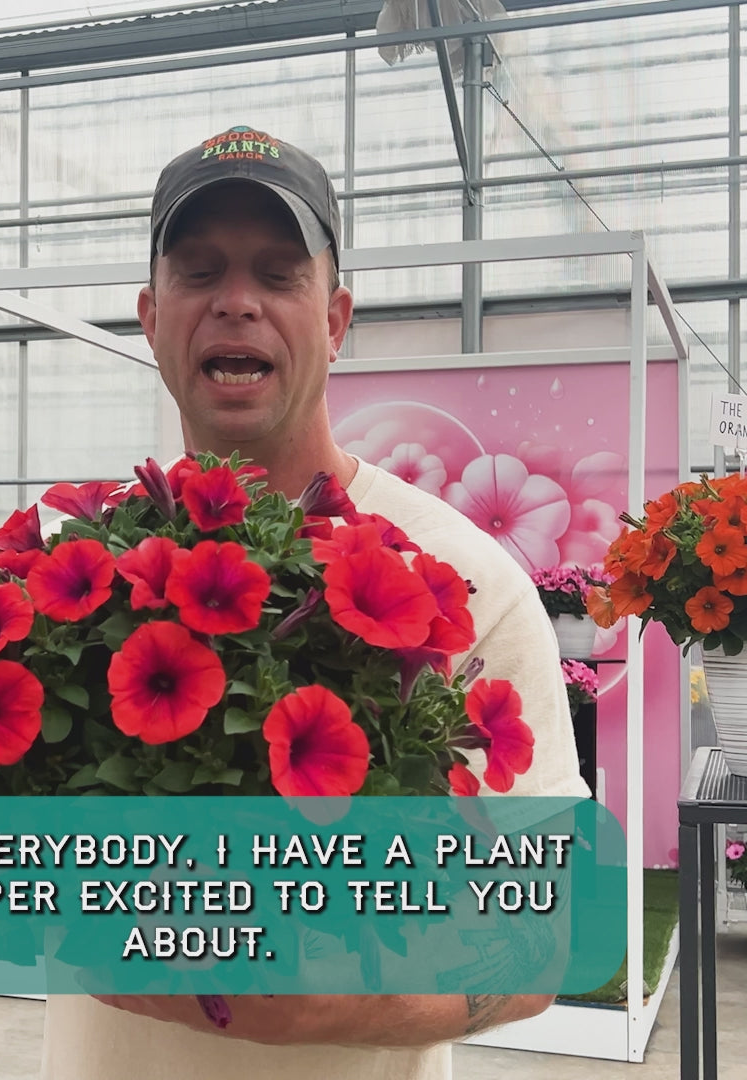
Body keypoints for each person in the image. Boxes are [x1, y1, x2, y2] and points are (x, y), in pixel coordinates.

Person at [40, 124, 591, 1080]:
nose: (236, 301)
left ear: (335, 320)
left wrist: (334, 1007)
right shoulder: (80, 568)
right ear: (152, 318)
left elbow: (551, 931)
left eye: (278, 273)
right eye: (199, 271)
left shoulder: (467, 580)